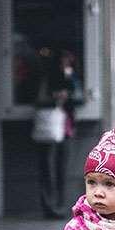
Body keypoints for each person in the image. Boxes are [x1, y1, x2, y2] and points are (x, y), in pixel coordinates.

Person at [35, 48, 80, 219]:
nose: (66, 63)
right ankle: (50, 206)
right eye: (64, 60)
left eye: (69, 60)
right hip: (50, 126)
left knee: (62, 167)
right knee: (48, 168)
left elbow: (78, 97)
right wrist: (56, 97)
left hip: (65, 126)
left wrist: (69, 82)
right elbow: (39, 98)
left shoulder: (72, 76)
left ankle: (61, 205)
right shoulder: (47, 77)